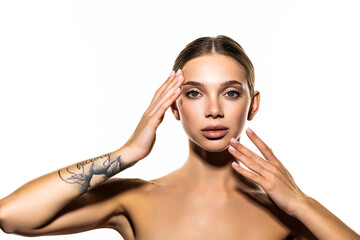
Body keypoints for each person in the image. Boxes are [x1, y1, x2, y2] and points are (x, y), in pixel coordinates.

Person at [0, 35, 358, 240]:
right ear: (173, 106)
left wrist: (301, 204)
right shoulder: (135, 198)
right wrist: (127, 153)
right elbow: (12, 217)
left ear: (253, 104)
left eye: (231, 93)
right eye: (194, 93)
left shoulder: (286, 212)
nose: (214, 109)